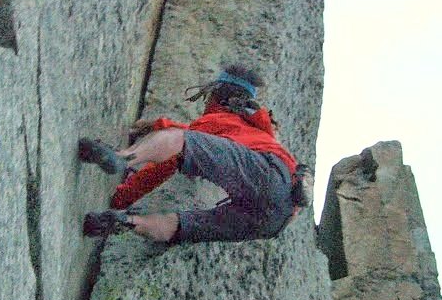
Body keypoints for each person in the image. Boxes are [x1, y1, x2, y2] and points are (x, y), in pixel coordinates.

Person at [79, 64, 299, 244]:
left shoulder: (220, 119)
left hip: (269, 174)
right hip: (279, 219)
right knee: (183, 226)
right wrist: (159, 125)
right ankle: (128, 222)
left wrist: (124, 195)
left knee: (179, 140)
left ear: (216, 96)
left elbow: (175, 152)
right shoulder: (253, 130)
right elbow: (206, 138)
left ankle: (123, 157)